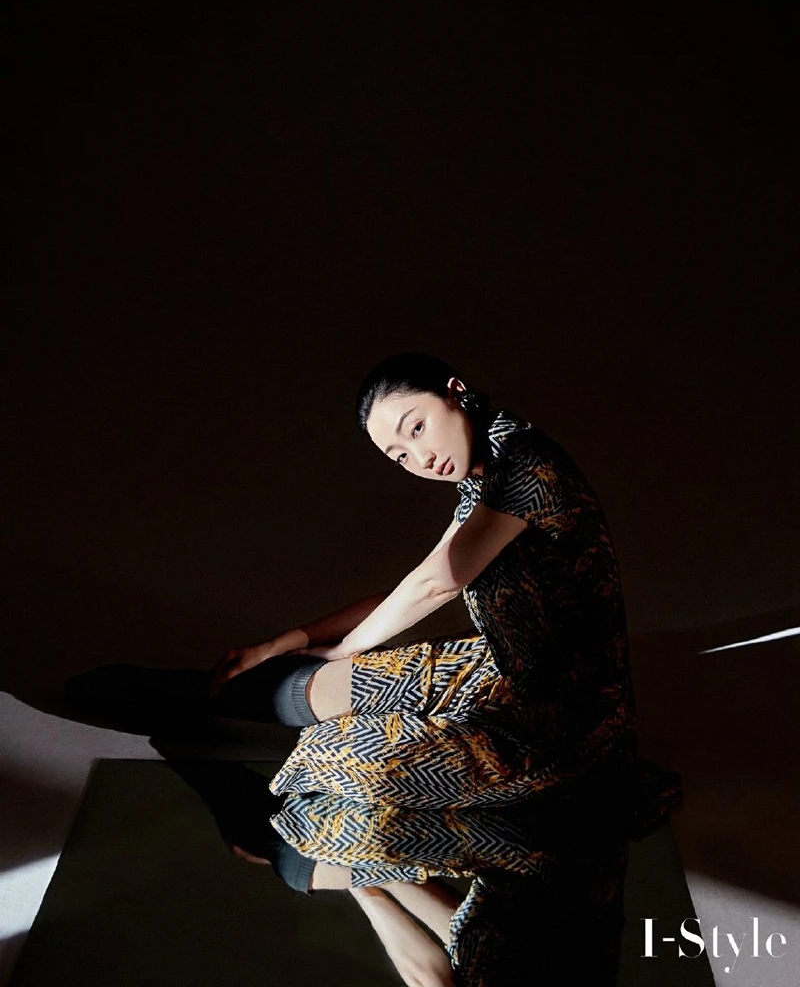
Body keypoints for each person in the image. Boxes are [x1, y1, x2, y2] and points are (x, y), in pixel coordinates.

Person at [67, 351, 680, 825]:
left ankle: (260, 832)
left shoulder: (526, 465)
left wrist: (340, 650)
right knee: (295, 687)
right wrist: (285, 642)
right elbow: (409, 586)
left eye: (418, 428)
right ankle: (165, 696)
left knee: (324, 762)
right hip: (498, 670)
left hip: (564, 722)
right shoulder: (487, 470)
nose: (420, 457)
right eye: (399, 455)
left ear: (456, 392)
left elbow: (436, 583)